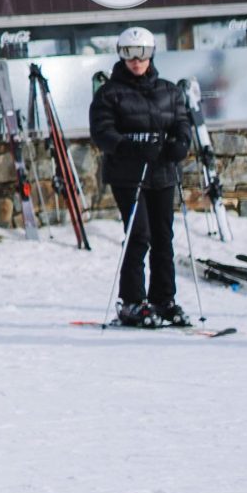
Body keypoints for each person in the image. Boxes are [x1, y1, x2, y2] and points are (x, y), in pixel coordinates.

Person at [86, 26, 193, 328]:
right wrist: (129, 146)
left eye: (142, 53)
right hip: (128, 176)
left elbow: (182, 123)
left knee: (163, 238)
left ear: (151, 54)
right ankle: (132, 300)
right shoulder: (110, 93)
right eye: (129, 54)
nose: (136, 60)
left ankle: (164, 299)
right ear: (121, 55)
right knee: (139, 235)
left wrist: (180, 144)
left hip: (162, 173)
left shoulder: (169, 91)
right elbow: (102, 132)